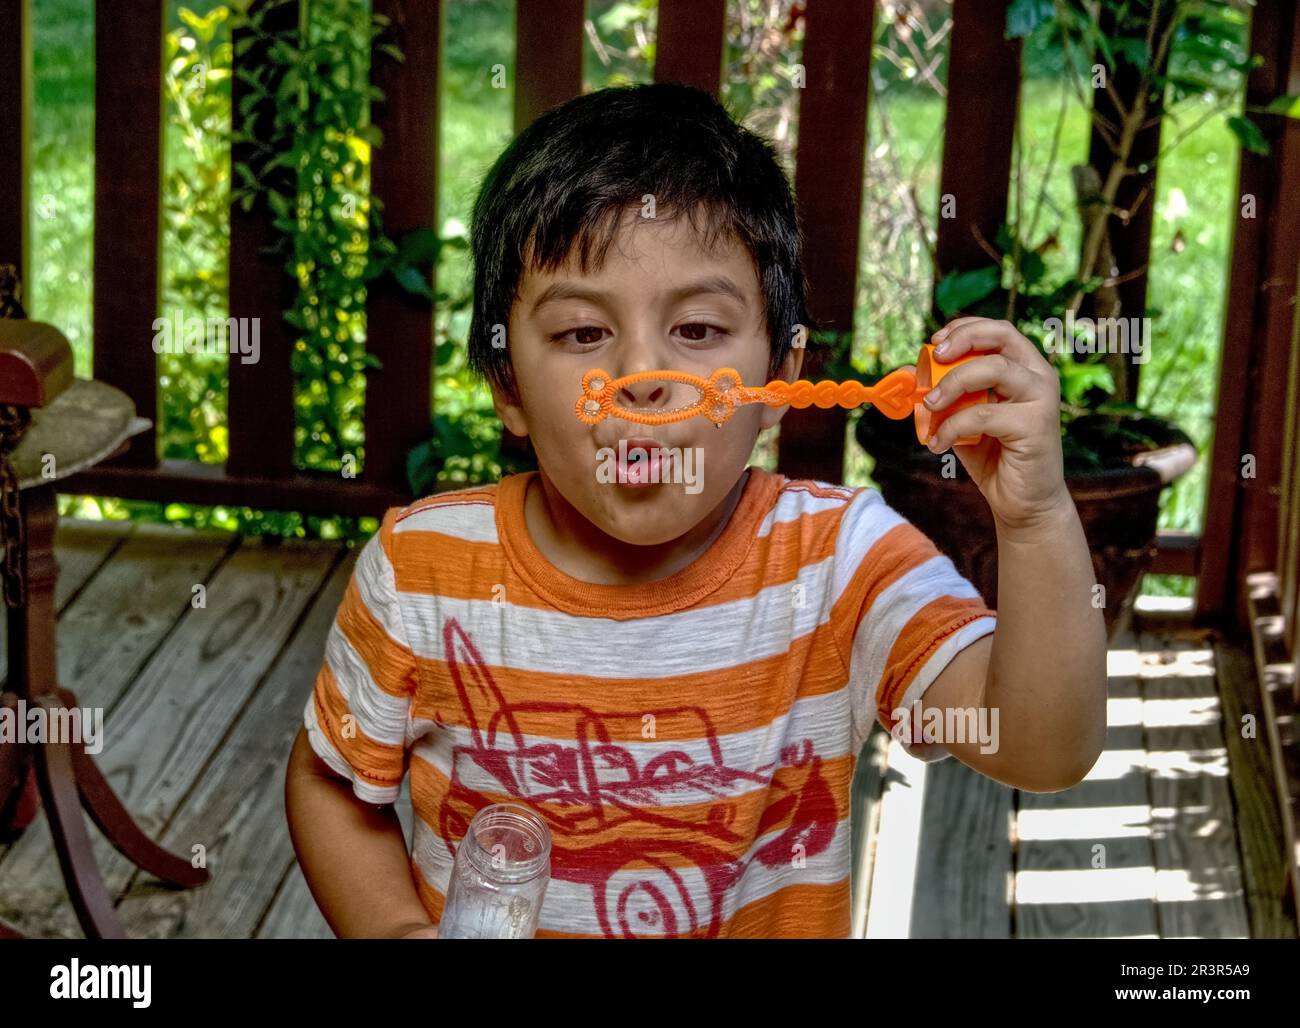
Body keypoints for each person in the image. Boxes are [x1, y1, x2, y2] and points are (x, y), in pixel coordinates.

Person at [284, 82, 1107, 939]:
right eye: (582, 334)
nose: (645, 377)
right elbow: (330, 785)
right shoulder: (423, 572)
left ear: (782, 380)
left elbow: (1042, 746)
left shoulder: (841, 566)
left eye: (700, 331)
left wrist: (1036, 518)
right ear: (507, 386)